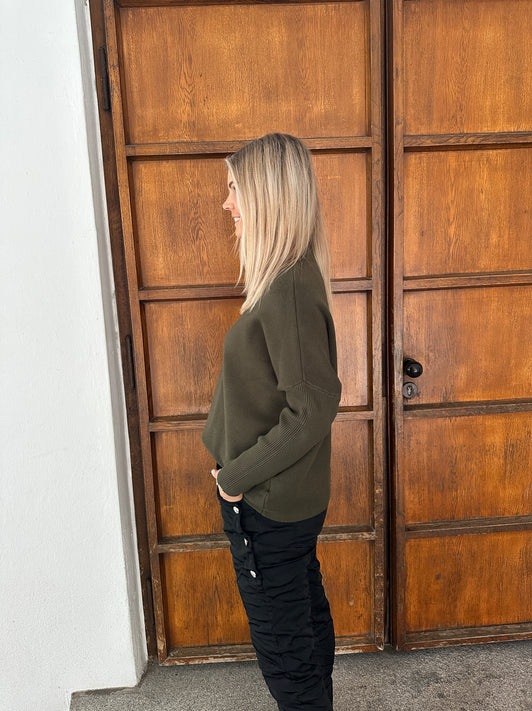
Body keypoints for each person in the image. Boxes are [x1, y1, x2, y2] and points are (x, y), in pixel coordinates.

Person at [202, 133, 341, 711]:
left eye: (235, 188)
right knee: (301, 632)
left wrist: (235, 479)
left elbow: (313, 408)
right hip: (277, 502)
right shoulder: (290, 279)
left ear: (265, 196)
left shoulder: (288, 287)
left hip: (265, 504)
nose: (227, 203)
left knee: (287, 655)